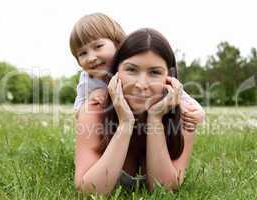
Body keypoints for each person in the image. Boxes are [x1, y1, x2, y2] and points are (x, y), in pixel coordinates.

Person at [74, 28, 203, 196]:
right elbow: (90, 192)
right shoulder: (93, 111)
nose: (141, 84)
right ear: (115, 73)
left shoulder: (184, 117)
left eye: (155, 72)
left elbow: (164, 189)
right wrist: (125, 124)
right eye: (131, 70)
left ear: (169, 77)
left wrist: (155, 119)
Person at [69, 13, 204, 126]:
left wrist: (197, 111)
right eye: (82, 53)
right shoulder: (87, 79)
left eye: (98, 46)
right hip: (114, 130)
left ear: (118, 43)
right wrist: (90, 100)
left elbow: (177, 90)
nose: (91, 58)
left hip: (148, 126)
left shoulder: (134, 67)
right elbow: (78, 111)